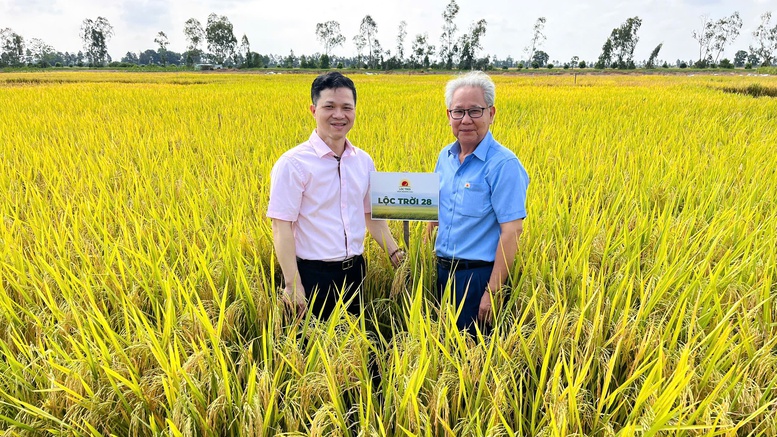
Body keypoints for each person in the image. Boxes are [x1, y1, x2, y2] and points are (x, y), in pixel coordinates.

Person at [267, 72, 404, 321]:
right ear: (313, 109)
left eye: (346, 107)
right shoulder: (293, 163)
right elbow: (281, 226)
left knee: (354, 348)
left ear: (354, 111)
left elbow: (370, 215)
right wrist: (293, 283)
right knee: (312, 351)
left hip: (355, 273)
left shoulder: (363, 161)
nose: (339, 115)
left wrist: (395, 254)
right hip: (312, 275)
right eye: (329, 106)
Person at [427, 71, 529, 336]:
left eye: (475, 111)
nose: (466, 120)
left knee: (472, 362)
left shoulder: (503, 165)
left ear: (491, 113)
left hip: (478, 279)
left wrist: (492, 291)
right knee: (443, 352)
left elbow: (512, 231)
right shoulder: (445, 157)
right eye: (458, 112)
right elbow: (443, 205)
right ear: (448, 115)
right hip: (443, 274)